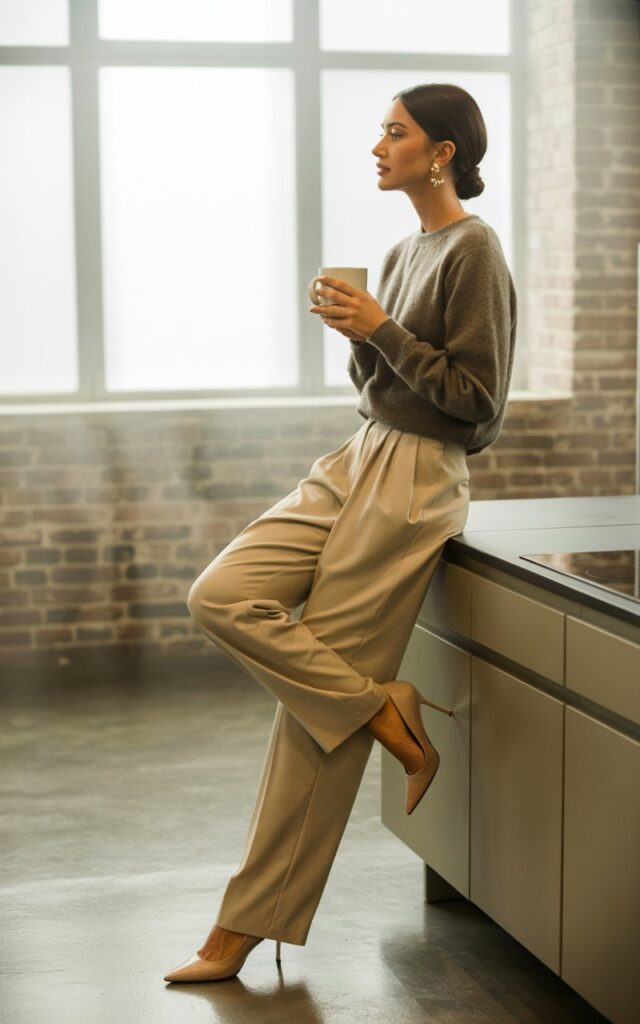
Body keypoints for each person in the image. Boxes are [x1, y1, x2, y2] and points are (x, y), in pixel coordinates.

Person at [164, 82, 517, 984]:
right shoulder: (401, 248)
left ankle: (244, 927)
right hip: (361, 453)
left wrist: (383, 328)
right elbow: (386, 389)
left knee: (307, 720)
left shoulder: (475, 250)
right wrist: (359, 335)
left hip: (417, 478)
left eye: (394, 132)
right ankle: (380, 705)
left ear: (441, 152)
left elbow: (476, 407)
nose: (377, 145)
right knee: (222, 594)